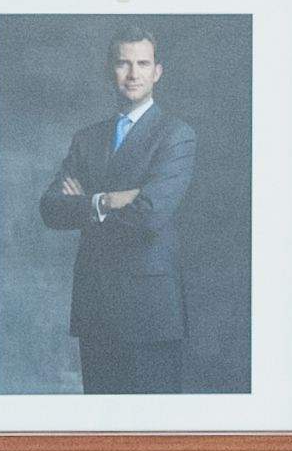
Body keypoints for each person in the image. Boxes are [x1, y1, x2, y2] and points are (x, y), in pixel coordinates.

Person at [37, 31, 196, 394]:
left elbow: (150, 215)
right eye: (123, 62)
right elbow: (50, 208)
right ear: (111, 69)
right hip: (96, 307)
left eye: (142, 64)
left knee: (150, 434)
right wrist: (105, 201)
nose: (133, 73)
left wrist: (84, 205)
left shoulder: (175, 135)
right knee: (100, 430)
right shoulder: (87, 138)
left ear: (158, 72)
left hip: (149, 311)